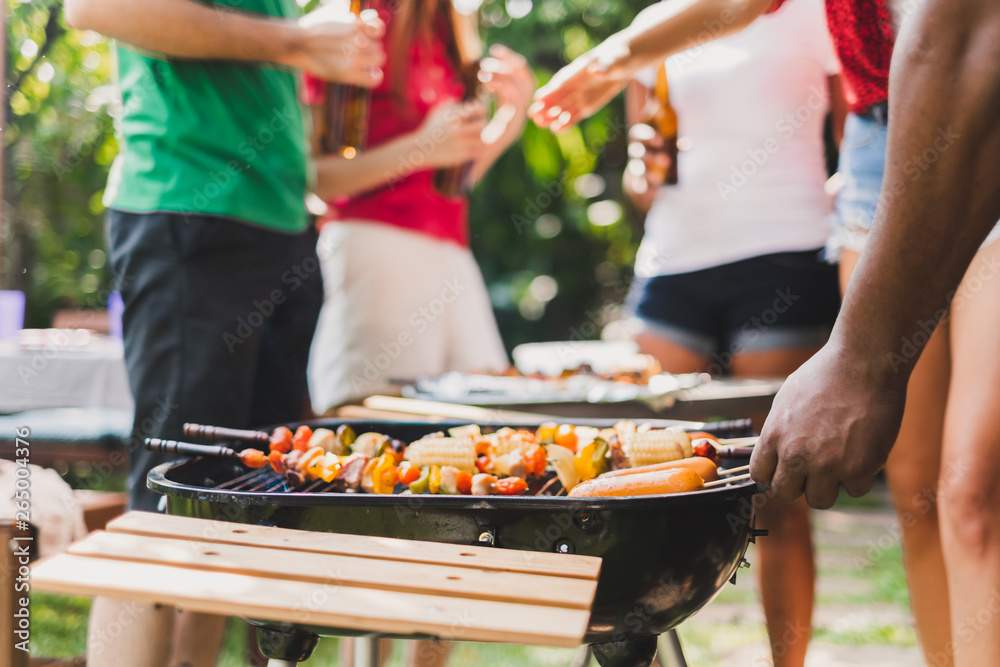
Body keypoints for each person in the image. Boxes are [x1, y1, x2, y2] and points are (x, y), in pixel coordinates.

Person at [528, 0, 1000, 665]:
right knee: (918, 487)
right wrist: (612, 59)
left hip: (979, 94)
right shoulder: (668, 29)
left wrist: (857, 359)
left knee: (975, 486)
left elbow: (957, 33)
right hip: (877, 141)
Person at [63, 1, 385, 665]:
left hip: (281, 226)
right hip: (188, 210)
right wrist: (298, 41)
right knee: (164, 502)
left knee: (232, 507)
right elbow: (96, 8)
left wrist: (312, 37)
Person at [620, 2, 842, 663]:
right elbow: (641, 185)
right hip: (673, 263)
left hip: (783, 253)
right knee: (641, 479)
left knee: (775, 491)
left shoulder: (813, 13)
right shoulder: (656, 23)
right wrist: (642, 172)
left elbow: (865, 126)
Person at [304, 0, 535, 415]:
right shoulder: (363, 19)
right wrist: (420, 148)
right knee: (374, 424)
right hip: (375, 247)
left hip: (450, 255)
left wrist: (510, 119)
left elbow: (449, 182)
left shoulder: (449, 26)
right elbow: (317, 177)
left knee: (489, 418)